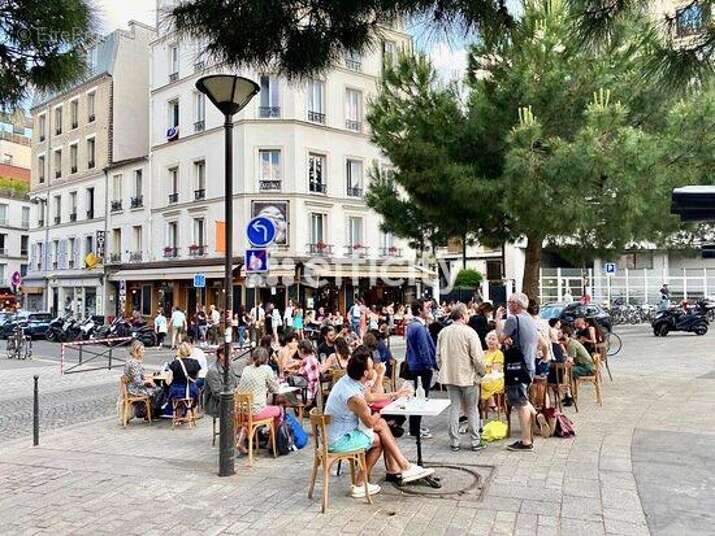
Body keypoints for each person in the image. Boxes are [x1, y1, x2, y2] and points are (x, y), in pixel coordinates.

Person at [324, 346, 434, 497]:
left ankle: (403, 466)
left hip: (338, 432)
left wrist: (396, 394)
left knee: (381, 425)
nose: (374, 368)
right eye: (371, 367)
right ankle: (361, 483)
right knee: (379, 439)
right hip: (339, 440)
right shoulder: (354, 396)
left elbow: (370, 397)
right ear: (365, 373)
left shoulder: (349, 380)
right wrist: (381, 411)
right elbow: (369, 422)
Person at [496, 292, 546, 451]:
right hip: (529, 366)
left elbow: (499, 339)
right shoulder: (531, 320)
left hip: (517, 367)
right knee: (522, 398)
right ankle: (536, 414)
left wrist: (498, 319)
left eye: (509, 302)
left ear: (516, 305)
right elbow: (542, 343)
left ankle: (526, 442)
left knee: (520, 403)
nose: (508, 305)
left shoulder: (513, 319)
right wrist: (543, 358)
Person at [436, 303, 486, 452]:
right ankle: (475, 441)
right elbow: (477, 358)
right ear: (463, 316)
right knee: (472, 408)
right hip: (468, 376)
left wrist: (443, 370)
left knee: (454, 407)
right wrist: (481, 372)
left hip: (450, 376)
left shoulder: (443, 332)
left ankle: (454, 441)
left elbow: (438, 356)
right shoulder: (470, 332)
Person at [236, 347, 282, 452]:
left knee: (249, 417)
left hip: (241, 412)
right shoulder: (266, 369)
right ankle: (271, 442)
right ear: (267, 359)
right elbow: (275, 389)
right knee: (279, 411)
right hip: (255, 412)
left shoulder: (246, 369)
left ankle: (241, 441)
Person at [404, 298, 437, 439]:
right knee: (421, 398)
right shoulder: (418, 327)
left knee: (418, 397)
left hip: (415, 365)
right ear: (419, 310)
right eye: (426, 307)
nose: (428, 309)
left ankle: (414, 427)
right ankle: (415, 429)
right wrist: (430, 365)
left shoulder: (413, 325)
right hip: (421, 367)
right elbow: (424, 349)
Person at [163, 342, 202, 417]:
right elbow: (196, 377)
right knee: (196, 393)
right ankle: (190, 413)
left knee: (168, 390)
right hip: (192, 391)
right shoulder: (195, 363)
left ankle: (177, 414)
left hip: (177, 392)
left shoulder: (174, 364)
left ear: (179, 351)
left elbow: (168, 382)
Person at [204, 345, 240, 418]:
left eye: (233, 353)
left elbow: (235, 383)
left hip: (230, 401)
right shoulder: (213, 371)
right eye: (231, 354)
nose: (233, 356)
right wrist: (234, 393)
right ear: (221, 355)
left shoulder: (229, 367)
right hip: (217, 405)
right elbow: (217, 393)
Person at [123, 341, 157, 412]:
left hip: (131, 387)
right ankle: (150, 413)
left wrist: (148, 377)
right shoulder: (135, 364)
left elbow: (136, 376)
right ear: (136, 351)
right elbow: (138, 382)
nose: (144, 351)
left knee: (154, 386)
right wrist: (148, 381)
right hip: (135, 390)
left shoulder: (131, 361)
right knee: (158, 390)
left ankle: (148, 411)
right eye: (142, 350)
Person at [481, 331, 505, 409]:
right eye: (489, 339)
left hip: (495, 378)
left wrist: (484, 366)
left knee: (479, 383)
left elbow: (495, 369)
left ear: (497, 342)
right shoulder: (483, 353)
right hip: (484, 376)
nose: (490, 341)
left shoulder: (499, 353)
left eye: (493, 339)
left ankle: (490, 403)